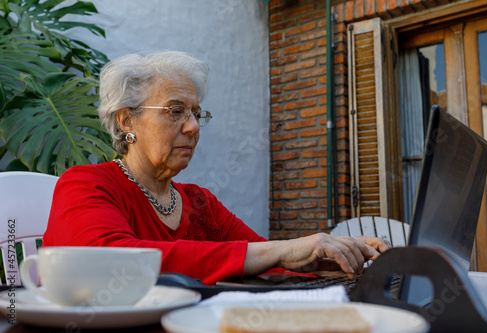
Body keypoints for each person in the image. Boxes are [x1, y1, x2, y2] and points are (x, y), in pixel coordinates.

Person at [43, 50, 390, 285]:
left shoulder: (199, 203)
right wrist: (283, 248)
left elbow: (270, 263)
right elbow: (108, 264)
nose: (193, 127)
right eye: (175, 111)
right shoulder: (86, 185)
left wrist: (336, 253)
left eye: (196, 113)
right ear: (126, 120)